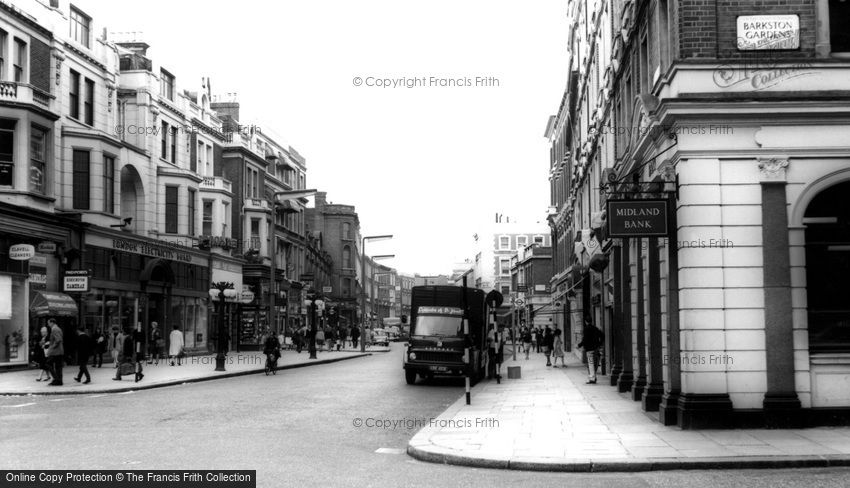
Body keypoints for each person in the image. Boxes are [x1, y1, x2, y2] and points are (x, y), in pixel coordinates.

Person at [577, 318, 604, 384]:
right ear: (591, 321)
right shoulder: (595, 328)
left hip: (589, 349)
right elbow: (602, 335)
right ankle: (593, 377)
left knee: (590, 364)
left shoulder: (586, 329)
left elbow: (585, 339)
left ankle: (592, 378)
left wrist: (579, 345)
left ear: (586, 321)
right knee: (595, 363)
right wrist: (599, 344)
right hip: (595, 348)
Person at [45, 318, 64, 386]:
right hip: (60, 351)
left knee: (48, 364)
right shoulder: (58, 328)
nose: (48, 324)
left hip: (55, 351)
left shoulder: (55, 329)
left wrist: (52, 347)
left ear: (52, 323)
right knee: (58, 367)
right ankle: (59, 381)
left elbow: (58, 340)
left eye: (49, 323)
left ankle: (56, 379)